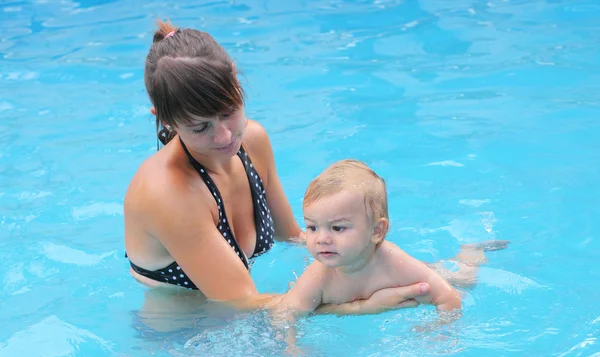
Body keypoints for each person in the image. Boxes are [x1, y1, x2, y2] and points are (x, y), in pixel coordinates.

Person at [124, 19, 430, 316]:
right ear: (165, 119)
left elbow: (294, 239)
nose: (226, 136)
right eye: (200, 127)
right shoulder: (167, 195)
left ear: (235, 78)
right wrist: (364, 305)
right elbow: (241, 303)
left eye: (229, 112)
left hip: (258, 310)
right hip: (181, 340)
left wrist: (392, 268)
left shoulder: (253, 141)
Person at [274, 160, 508, 350]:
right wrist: (291, 350)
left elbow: (449, 298)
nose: (321, 238)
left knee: (466, 279)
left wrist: (440, 331)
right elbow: (285, 313)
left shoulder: (396, 264)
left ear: (377, 231)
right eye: (313, 227)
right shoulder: (320, 275)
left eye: (337, 228)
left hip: (411, 271)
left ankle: (471, 251)